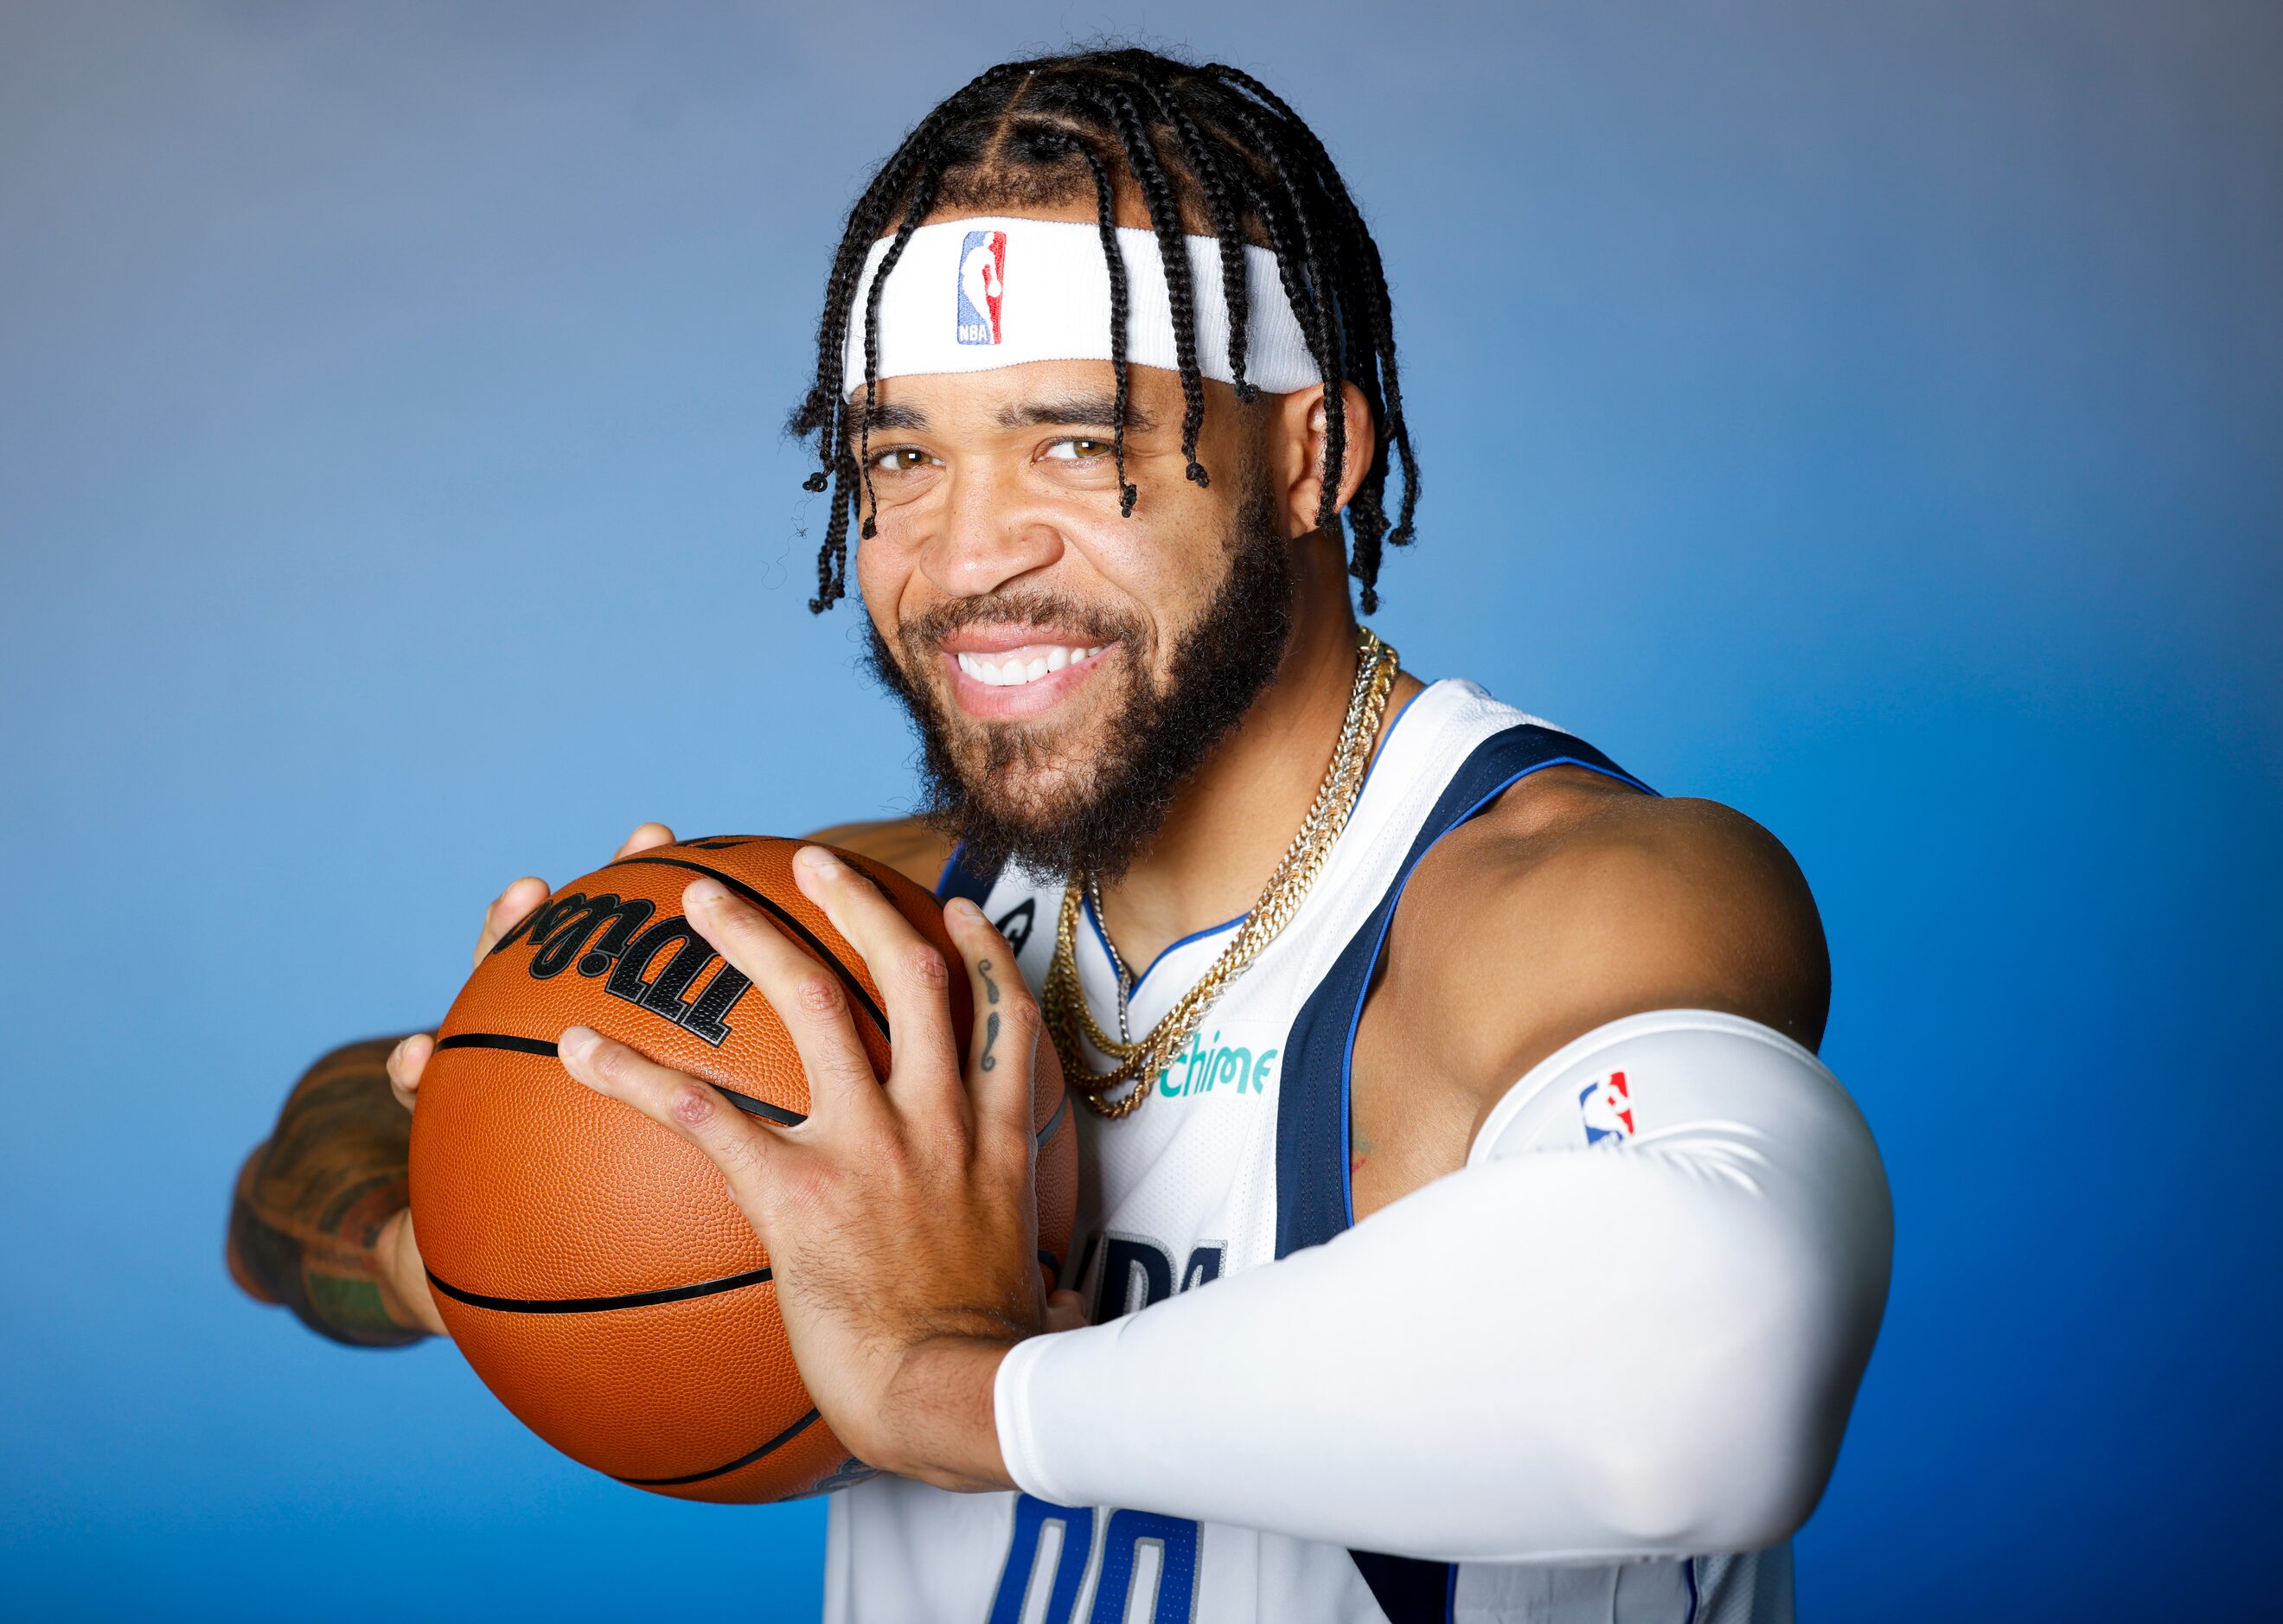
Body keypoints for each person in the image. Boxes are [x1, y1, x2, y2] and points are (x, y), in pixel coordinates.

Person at [227, 47, 1891, 1623]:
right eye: (904, 460)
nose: (965, 558)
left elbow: (1714, 1389)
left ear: (1310, 453)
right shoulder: (860, 938)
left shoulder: (1562, 909)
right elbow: (289, 1189)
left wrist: (946, 1383)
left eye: (1074, 444)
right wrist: (526, 1196)